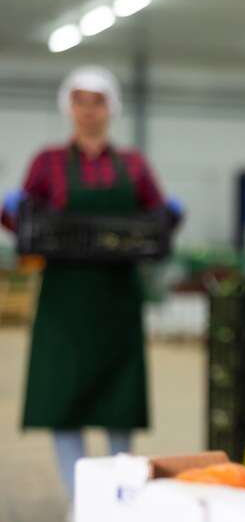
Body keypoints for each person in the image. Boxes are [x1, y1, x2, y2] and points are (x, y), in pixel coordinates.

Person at [1, 66, 180, 500]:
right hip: (63, 300)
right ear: (69, 107)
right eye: (79, 100)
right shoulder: (48, 163)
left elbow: (158, 220)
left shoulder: (134, 166)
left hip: (117, 298)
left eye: (97, 101)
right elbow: (20, 225)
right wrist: (11, 212)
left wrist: (171, 216)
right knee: (63, 399)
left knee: (118, 400)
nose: (87, 110)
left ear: (110, 108)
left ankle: (120, 496)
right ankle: (82, 498)